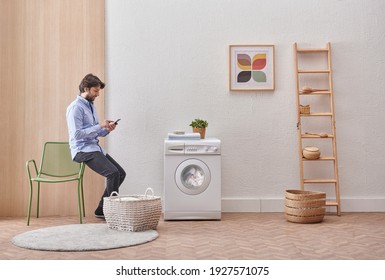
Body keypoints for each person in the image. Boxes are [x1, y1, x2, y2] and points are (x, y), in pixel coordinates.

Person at [66, 73, 126, 218]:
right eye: (95, 91)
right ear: (86, 89)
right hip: (82, 150)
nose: (98, 94)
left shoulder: (90, 106)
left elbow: (94, 132)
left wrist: (106, 130)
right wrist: (100, 125)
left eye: (99, 91)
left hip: (93, 147)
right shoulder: (75, 108)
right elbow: (77, 135)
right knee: (112, 173)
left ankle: (101, 209)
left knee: (120, 173)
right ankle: (111, 212)